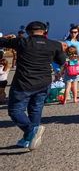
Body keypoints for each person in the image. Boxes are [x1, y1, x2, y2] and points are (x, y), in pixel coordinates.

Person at [1, 21, 66, 151]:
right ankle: (28, 139)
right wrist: (60, 49)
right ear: (45, 32)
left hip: (24, 82)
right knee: (35, 109)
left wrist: (5, 38)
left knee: (15, 110)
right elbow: (61, 61)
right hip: (44, 82)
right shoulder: (54, 44)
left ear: (28, 32)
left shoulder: (21, 42)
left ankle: (31, 131)